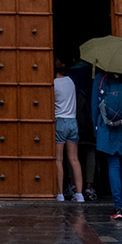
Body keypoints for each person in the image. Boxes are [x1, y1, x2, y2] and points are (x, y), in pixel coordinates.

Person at [92, 68, 122, 219]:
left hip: (106, 127)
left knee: (113, 164)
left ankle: (118, 206)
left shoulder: (100, 78)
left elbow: (94, 106)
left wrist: (95, 128)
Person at [53, 62, 85, 202]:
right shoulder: (71, 82)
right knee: (74, 159)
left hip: (60, 121)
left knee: (58, 159)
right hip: (73, 121)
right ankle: (79, 194)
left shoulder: (54, 84)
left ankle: (60, 194)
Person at [67, 58, 99, 199]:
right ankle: (89, 187)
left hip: (73, 116)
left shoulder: (69, 75)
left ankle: (73, 184)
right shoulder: (95, 76)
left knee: (71, 154)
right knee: (90, 152)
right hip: (90, 118)